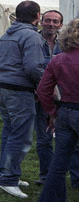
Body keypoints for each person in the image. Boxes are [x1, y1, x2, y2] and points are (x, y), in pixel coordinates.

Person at [0, 0, 45, 199]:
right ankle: (7, 178)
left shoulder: (8, 34)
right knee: (20, 135)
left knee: (10, 131)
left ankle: (7, 172)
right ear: (37, 16)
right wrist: (44, 86)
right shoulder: (31, 36)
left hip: (3, 87)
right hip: (20, 89)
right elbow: (33, 67)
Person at [37, 19, 79, 202]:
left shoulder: (58, 59)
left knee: (59, 163)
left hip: (64, 112)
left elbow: (43, 90)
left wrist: (52, 112)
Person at [33, 11, 74, 186]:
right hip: (40, 96)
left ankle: (72, 175)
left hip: (64, 99)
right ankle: (47, 175)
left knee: (68, 140)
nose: (51, 24)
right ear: (41, 22)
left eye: (55, 21)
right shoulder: (33, 41)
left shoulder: (66, 44)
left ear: (61, 25)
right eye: (48, 20)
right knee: (44, 138)